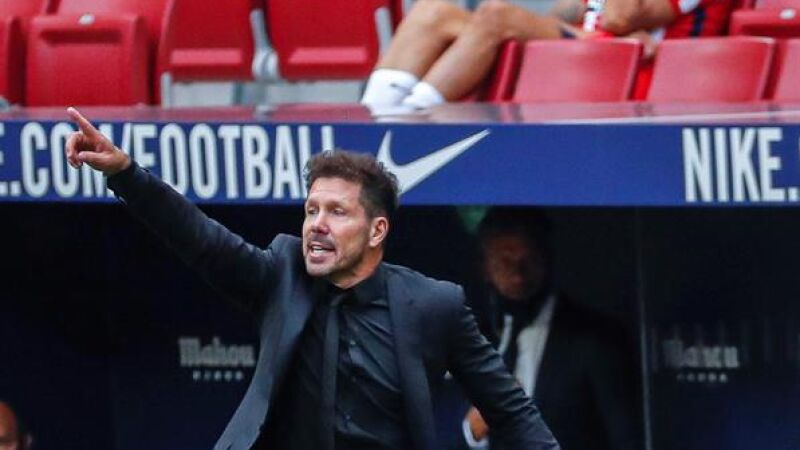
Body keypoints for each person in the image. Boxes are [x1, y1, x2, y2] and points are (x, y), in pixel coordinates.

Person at [63, 107, 560, 450]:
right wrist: (125, 173)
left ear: (376, 230)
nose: (317, 224)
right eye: (311, 210)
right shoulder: (282, 273)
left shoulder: (434, 305)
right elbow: (199, 238)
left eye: (337, 212)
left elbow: (512, 411)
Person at [459, 208, 641, 450]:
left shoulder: (596, 340)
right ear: (485, 268)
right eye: (505, 262)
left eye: (528, 261)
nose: (518, 275)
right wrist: (473, 432)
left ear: (546, 260)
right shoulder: (469, 341)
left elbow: (627, 439)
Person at [360, 0, 732, 108]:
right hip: (593, 45)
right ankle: (374, 118)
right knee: (432, 12)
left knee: (496, 16)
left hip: (639, 66)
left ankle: (409, 120)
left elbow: (620, 16)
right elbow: (571, 12)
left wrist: (612, 20)